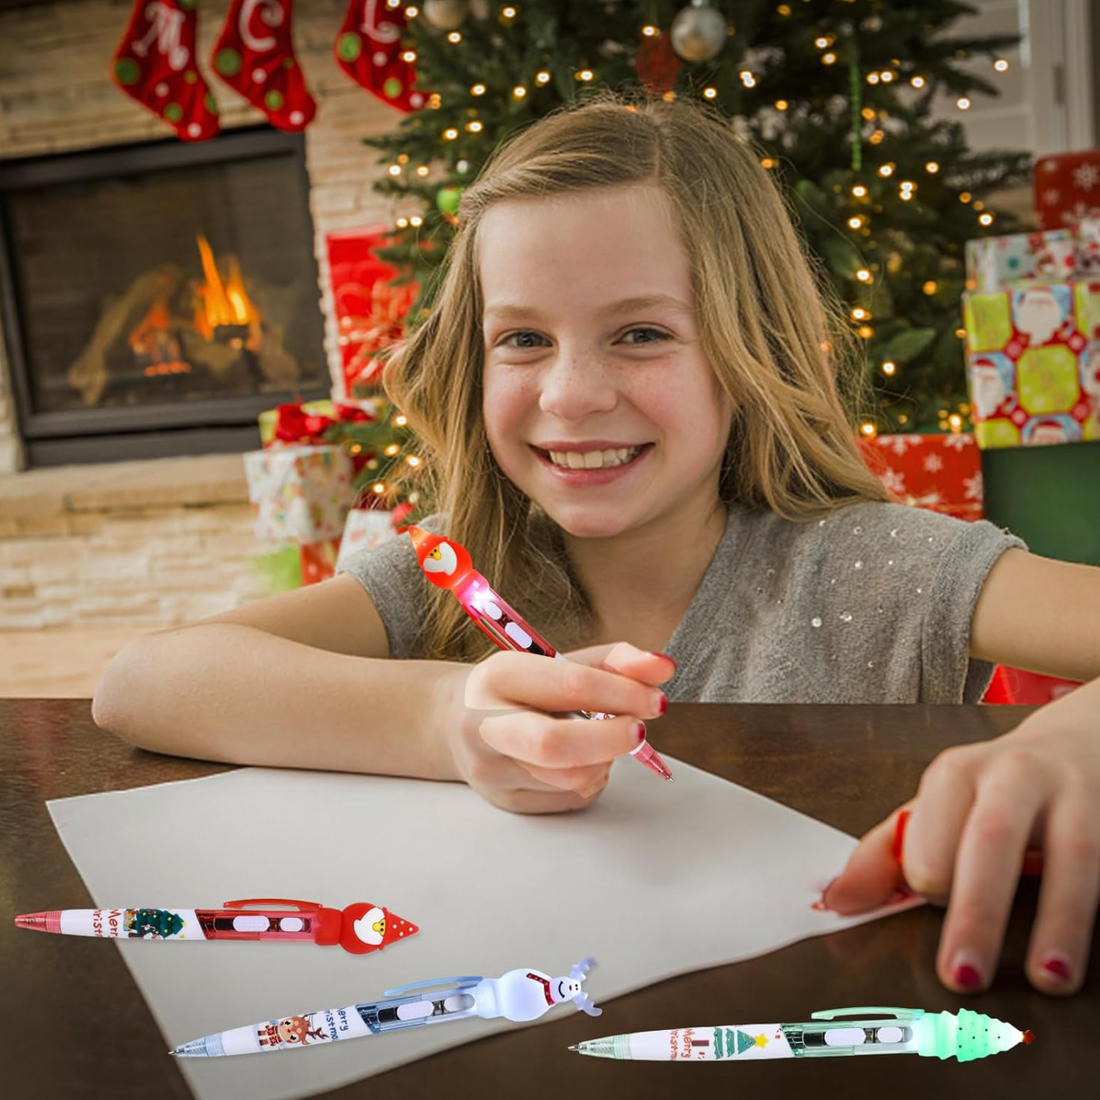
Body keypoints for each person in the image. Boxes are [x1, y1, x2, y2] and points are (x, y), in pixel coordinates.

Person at [93, 94, 1100, 999]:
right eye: (521, 338)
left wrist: (1069, 744)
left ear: (747, 349)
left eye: (640, 333)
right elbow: (142, 682)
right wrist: (447, 719)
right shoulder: (454, 571)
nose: (570, 395)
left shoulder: (880, 565)